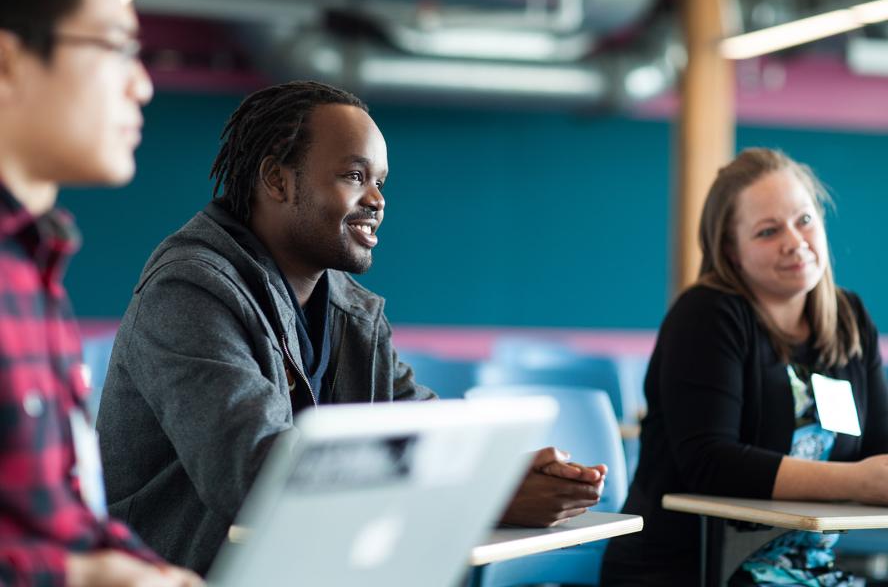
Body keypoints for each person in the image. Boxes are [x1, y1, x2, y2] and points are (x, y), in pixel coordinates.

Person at [96, 80, 609, 575]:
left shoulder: (352, 312)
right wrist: (485, 495)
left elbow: (427, 428)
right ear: (277, 180)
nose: (378, 200)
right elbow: (257, 475)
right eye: (354, 176)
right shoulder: (190, 289)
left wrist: (505, 472)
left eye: (380, 182)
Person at [601, 148, 888, 586]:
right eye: (768, 231)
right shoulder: (707, 314)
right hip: (690, 570)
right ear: (731, 252)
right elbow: (710, 461)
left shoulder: (849, 318)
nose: (795, 240)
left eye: (805, 220)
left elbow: (878, 448)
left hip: (809, 571)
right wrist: (854, 482)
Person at [0, 0, 202, 585]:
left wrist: (154, 574)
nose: (142, 86)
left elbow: (63, 520)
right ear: (8, 65)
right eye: (118, 47)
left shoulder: (30, 267)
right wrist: (80, 577)